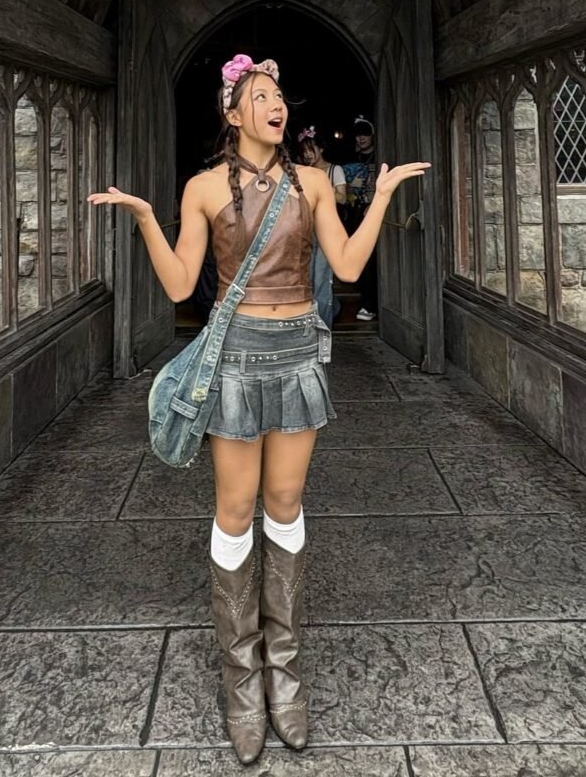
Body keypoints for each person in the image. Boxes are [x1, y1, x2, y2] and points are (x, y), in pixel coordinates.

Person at [88, 54, 429, 764]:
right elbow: (184, 280)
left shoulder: (311, 182)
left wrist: (385, 194)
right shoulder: (205, 188)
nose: (277, 107)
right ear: (232, 112)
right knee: (236, 509)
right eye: (262, 96)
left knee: (284, 502)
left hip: (297, 351)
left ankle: (285, 670)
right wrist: (148, 219)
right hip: (236, 358)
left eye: (280, 97)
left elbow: (342, 267)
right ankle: (242, 681)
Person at [297, 125, 347, 328]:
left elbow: (343, 198)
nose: (308, 155)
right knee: (307, 277)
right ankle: (333, 307)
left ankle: (322, 327)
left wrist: (320, 190)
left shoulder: (335, 170)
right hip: (306, 230)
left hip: (328, 231)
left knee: (322, 277)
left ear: (321, 148)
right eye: (304, 152)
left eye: (311, 149)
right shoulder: (303, 172)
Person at [344, 115, 378, 320]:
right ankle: (367, 302)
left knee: (374, 259)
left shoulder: (380, 155)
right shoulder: (350, 158)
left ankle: (372, 304)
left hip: (375, 211)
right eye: (358, 134)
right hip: (355, 212)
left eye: (365, 133)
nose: (361, 138)